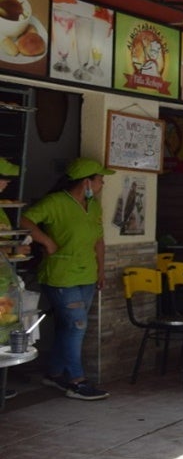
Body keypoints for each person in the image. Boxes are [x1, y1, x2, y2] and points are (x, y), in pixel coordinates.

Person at [18, 157, 114, 401]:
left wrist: (101, 270)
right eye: (100, 180)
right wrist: (46, 241)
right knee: (76, 325)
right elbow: (24, 219)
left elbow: (99, 240)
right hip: (61, 275)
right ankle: (76, 381)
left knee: (69, 326)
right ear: (86, 182)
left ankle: (54, 374)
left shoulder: (93, 206)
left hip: (87, 274)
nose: (102, 184)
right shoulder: (55, 202)